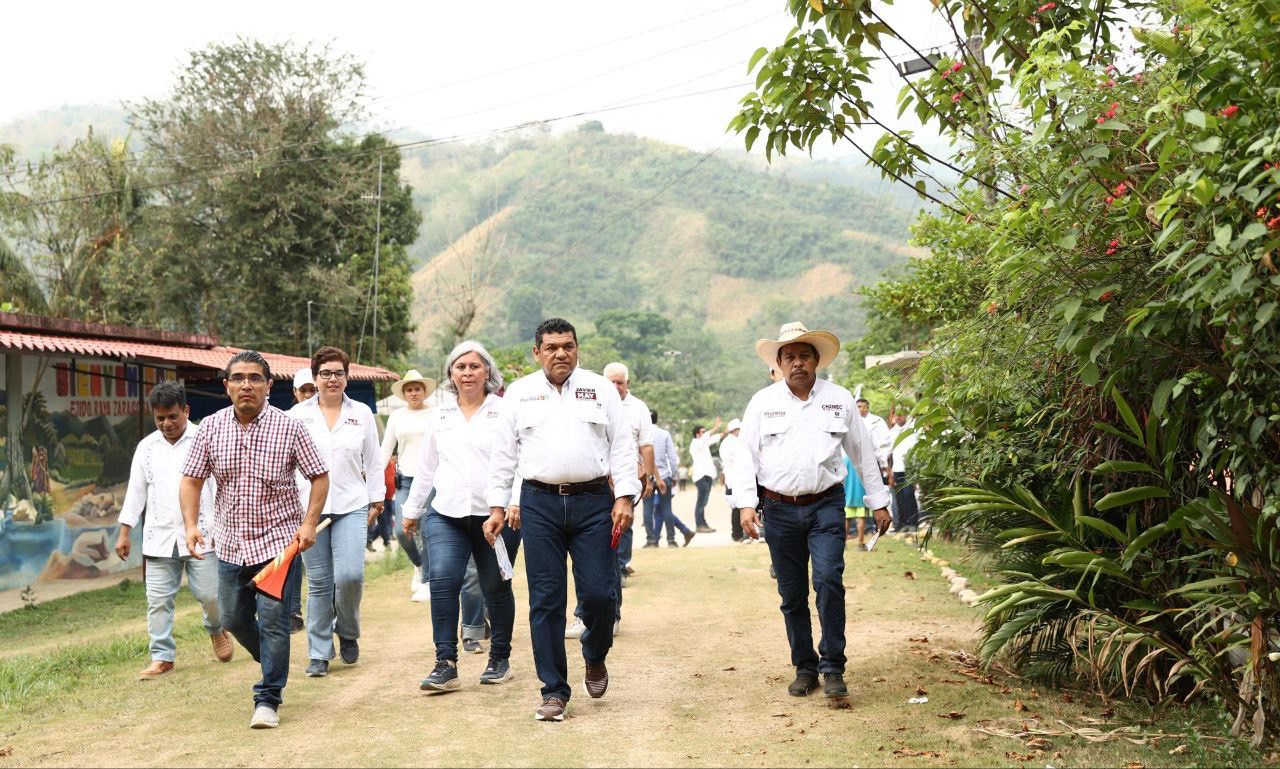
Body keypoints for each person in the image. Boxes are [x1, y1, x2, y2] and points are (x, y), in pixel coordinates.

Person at [485, 317, 638, 722]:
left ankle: (595, 654)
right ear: (536, 353)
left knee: (601, 595)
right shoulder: (518, 395)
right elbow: (504, 455)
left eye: (567, 345)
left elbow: (622, 445)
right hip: (539, 503)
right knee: (546, 599)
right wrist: (497, 507)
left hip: (594, 503)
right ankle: (554, 689)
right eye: (551, 347)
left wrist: (624, 496)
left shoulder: (601, 389)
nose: (560, 353)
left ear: (577, 348)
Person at [731, 322, 891, 702]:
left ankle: (833, 667)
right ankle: (805, 667)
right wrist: (745, 505)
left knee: (829, 580)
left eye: (805, 355)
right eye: (790, 357)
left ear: (816, 360)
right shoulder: (762, 402)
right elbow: (745, 457)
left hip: (826, 505)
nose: (798, 363)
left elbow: (862, 452)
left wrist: (878, 501)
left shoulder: (839, 399)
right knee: (791, 594)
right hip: (779, 508)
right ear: (780, 363)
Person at [180, 350, 330, 730]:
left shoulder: (290, 428)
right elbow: (191, 480)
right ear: (227, 385)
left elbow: (319, 477)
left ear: (268, 385)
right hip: (230, 544)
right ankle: (273, 659)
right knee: (232, 617)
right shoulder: (210, 429)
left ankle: (267, 698)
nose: (246, 384)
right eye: (238, 377)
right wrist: (191, 524)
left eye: (255, 378)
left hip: (279, 545)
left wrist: (309, 524)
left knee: (275, 621)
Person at [405, 340, 523, 692]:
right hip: (447, 514)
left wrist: (513, 503)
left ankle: (499, 658)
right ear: (450, 374)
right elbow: (426, 468)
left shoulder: (505, 411)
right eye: (460, 367)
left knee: (495, 586)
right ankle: (446, 663)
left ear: (487, 371)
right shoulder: (440, 416)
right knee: (442, 580)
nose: (467, 373)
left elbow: (521, 462)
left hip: (495, 517)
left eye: (474, 366)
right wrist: (412, 512)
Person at [115, 381, 232, 680]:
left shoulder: (205, 439)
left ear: (186, 411)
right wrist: (125, 531)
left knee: (210, 595)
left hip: (202, 535)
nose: (166, 424)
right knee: (157, 600)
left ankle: (216, 629)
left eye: (172, 416)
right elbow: (136, 492)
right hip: (159, 536)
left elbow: (220, 486)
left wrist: (228, 525)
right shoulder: (146, 448)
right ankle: (162, 656)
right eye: (160, 418)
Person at [288, 346, 384, 679]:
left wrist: (377, 500)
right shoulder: (297, 416)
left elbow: (373, 460)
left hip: (351, 505)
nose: (333, 379)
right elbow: (286, 466)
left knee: (350, 577)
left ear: (347, 376)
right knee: (319, 583)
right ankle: (318, 652)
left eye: (339, 373)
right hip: (309, 511)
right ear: (315, 378)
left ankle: (347, 630)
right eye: (326, 373)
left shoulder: (362, 414)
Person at [561, 361, 652, 640]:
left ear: (628, 383)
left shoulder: (637, 409)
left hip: (622, 487)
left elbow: (643, 446)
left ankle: (610, 613)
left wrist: (644, 480)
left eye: (620, 382)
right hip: (594, 488)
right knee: (587, 556)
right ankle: (583, 614)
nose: (615, 387)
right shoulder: (590, 398)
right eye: (610, 382)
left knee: (609, 551)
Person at [380, 369, 437, 602]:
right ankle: (420, 564)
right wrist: (372, 477)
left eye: (418, 389)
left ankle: (427, 582)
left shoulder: (436, 414)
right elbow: (386, 449)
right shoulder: (397, 417)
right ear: (404, 394)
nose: (414, 393)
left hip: (432, 480)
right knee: (402, 532)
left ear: (424, 391)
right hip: (405, 480)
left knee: (426, 531)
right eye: (409, 390)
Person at [287, 368, 318, 633]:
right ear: (295, 393)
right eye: (303, 390)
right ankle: (293, 610)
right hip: (292, 497)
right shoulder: (288, 419)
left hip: (321, 498)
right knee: (293, 555)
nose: (308, 395)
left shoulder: (329, 414)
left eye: (312, 390)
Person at [646, 409, 694, 547]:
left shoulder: (642, 434)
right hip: (664, 476)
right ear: (657, 419)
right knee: (666, 508)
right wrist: (673, 476)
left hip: (647, 477)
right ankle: (671, 540)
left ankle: (651, 541)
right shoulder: (664, 434)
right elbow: (672, 458)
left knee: (648, 509)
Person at [688, 419, 723, 533]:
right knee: (701, 502)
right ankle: (699, 525)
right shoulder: (695, 443)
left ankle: (703, 523)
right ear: (697, 434)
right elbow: (707, 436)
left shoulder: (703, 443)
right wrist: (716, 427)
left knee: (704, 502)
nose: (705, 433)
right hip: (701, 476)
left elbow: (714, 438)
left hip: (707, 475)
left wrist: (727, 432)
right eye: (703, 431)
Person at [888, 412, 920, 533]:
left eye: (901, 415)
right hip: (897, 468)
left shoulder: (913, 429)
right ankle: (903, 524)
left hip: (910, 468)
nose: (898, 417)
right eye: (896, 415)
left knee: (909, 495)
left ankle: (913, 523)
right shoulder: (892, 432)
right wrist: (889, 469)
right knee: (899, 496)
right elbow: (888, 452)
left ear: (906, 415)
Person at [720, 418, 747, 542]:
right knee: (737, 507)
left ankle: (737, 533)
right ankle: (737, 534)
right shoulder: (732, 442)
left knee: (737, 507)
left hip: (733, 477)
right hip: (734, 477)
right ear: (735, 430)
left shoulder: (729, 442)